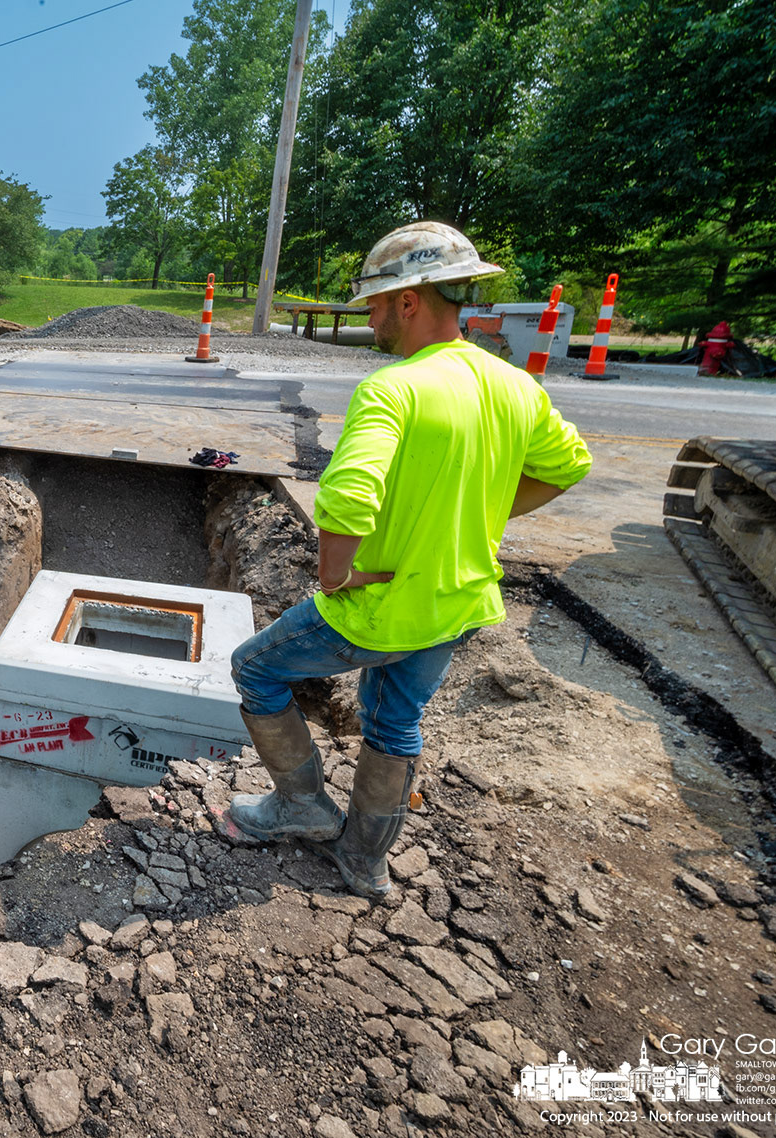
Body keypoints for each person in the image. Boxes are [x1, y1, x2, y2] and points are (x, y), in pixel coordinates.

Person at [222, 222, 594, 898]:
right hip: (455, 603)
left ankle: (302, 807)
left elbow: (347, 496)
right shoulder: (514, 386)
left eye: (374, 302)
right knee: (396, 721)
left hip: (379, 607)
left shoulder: (394, 388)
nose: (371, 315)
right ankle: (364, 860)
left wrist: (334, 575)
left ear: (410, 300)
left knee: (254, 669)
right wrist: (479, 512)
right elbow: (571, 464)